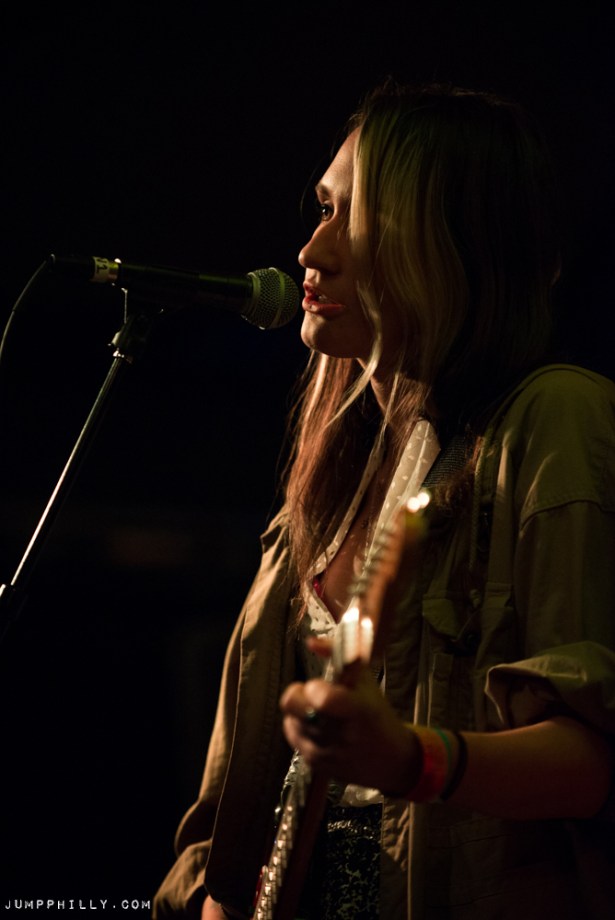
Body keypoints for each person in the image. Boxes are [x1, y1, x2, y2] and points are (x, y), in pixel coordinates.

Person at [153, 82, 615, 919]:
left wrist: (409, 758)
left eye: (352, 216)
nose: (311, 249)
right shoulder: (339, 475)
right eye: (322, 208)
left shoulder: (554, 417)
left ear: (449, 242)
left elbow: (593, 757)